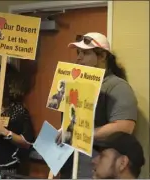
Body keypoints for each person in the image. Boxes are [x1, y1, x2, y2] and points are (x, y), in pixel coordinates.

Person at [56, 32, 138, 178]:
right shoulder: (76, 84)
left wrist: (81, 134)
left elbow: (125, 127)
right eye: (78, 52)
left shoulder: (117, 86)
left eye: (85, 53)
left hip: (97, 164)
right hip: (70, 162)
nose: (79, 57)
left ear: (102, 56)